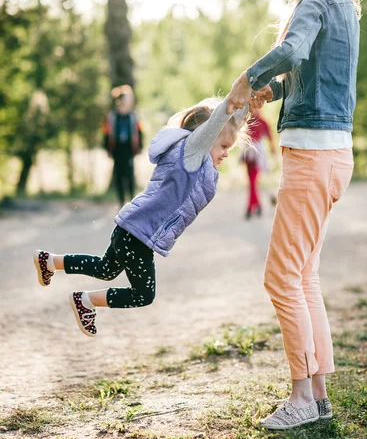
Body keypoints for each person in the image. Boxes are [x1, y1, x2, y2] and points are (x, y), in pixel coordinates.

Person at [229, 0, 361, 430]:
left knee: (281, 277)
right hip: (334, 156)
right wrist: (274, 90)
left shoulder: (314, 2)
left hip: (311, 158)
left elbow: (290, 51)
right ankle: (320, 397)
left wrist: (250, 78)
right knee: (305, 277)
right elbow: (306, 71)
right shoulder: (342, 5)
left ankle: (302, 398)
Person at [33, 95, 248, 337]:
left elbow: (227, 124)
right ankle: (85, 300)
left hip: (131, 227)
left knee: (105, 269)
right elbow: (215, 125)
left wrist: (249, 102)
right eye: (223, 146)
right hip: (139, 233)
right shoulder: (191, 153)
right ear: (206, 136)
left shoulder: (194, 161)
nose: (226, 153)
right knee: (143, 294)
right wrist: (235, 99)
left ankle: (49, 261)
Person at [103, 85, 143, 207]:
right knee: (119, 175)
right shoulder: (112, 116)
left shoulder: (133, 116)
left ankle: (131, 200)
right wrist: (107, 148)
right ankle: (121, 201)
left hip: (129, 148)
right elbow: (106, 133)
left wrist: (139, 146)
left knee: (130, 174)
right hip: (117, 148)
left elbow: (139, 132)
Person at [240, 109, 276, 219]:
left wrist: (273, 151)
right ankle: (257, 205)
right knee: (252, 182)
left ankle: (251, 207)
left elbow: (270, 136)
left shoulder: (262, 121)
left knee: (252, 182)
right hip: (248, 153)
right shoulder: (247, 120)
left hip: (258, 153)